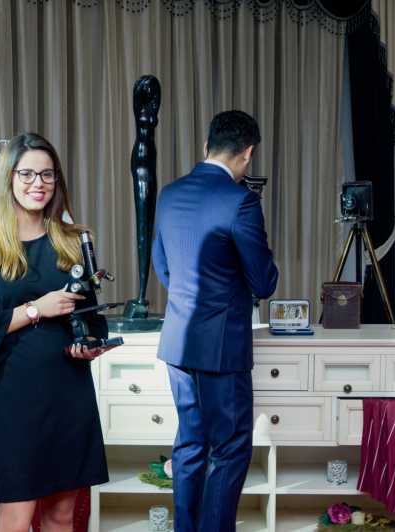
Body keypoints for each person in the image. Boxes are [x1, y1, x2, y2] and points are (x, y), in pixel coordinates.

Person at [0, 132, 114, 532]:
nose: (37, 183)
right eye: (26, 174)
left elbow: (91, 318)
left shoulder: (72, 243)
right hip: (18, 396)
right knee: (16, 516)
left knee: (62, 515)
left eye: (47, 174)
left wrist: (88, 345)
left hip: (70, 391)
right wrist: (34, 309)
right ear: (9, 178)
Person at [152, 110, 279, 532]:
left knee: (190, 442)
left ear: (206, 146)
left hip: (178, 341)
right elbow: (263, 282)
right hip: (222, 346)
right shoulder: (241, 201)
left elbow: (163, 266)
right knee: (230, 448)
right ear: (248, 153)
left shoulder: (169, 194)